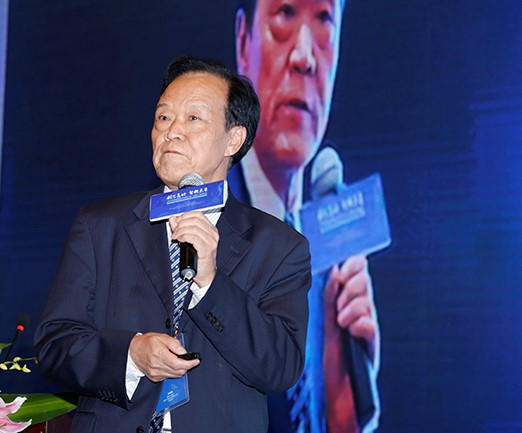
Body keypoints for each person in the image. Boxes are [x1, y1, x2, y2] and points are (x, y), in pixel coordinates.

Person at [34, 55, 312, 433]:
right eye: (163, 117)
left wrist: (210, 283)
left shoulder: (279, 247)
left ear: (234, 138)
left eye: (193, 118)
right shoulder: (101, 225)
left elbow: (280, 367)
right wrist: (131, 355)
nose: (172, 131)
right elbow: (54, 345)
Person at [229, 1, 381, 432]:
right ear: (244, 41)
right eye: (285, 14)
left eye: (324, 21)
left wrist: (342, 412)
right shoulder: (195, 226)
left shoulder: (327, 250)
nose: (304, 56)